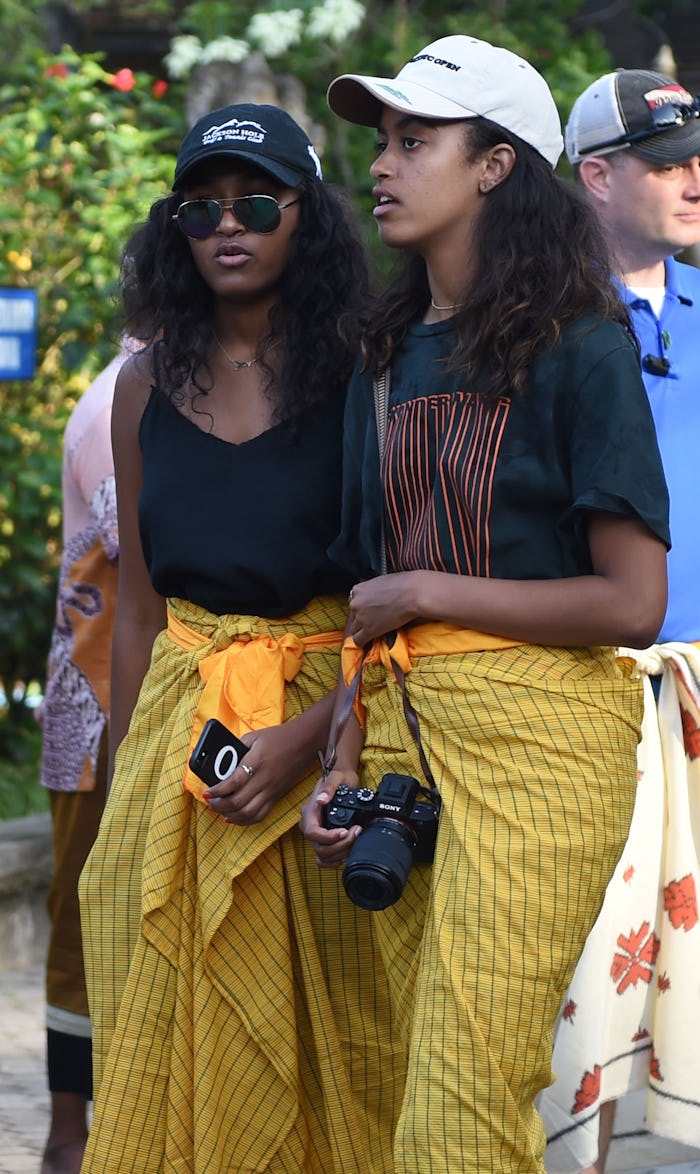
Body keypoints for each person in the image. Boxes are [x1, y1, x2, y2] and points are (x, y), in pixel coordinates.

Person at [300, 35, 672, 1174]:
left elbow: (634, 597)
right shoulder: (380, 356)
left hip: (545, 743)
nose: (384, 161)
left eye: (417, 139)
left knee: (464, 1087)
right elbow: (366, 597)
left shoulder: (579, 345)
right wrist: (338, 757)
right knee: (399, 1067)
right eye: (382, 139)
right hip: (406, 742)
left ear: (498, 165)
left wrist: (428, 587)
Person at [78, 103, 404, 1173]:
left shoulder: (371, 373)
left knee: (328, 1046)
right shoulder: (141, 384)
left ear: (303, 219)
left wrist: (312, 736)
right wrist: (136, 785)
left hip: (327, 733)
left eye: (257, 203)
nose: (229, 225)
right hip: (186, 739)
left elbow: (402, 598)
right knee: (164, 1023)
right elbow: (134, 605)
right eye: (200, 209)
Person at [538, 68, 700, 1174]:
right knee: (579, 999)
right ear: (594, 176)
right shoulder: (530, 327)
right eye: (666, 162)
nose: (692, 180)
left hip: (698, 696)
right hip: (581, 699)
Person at [38, 339, 133, 1174]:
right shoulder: (117, 403)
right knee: (81, 926)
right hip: (98, 713)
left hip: (131, 697)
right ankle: (69, 1137)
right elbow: (141, 541)